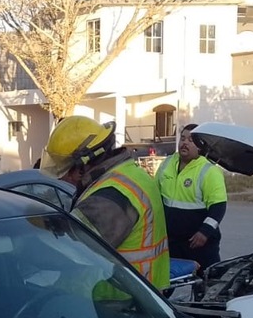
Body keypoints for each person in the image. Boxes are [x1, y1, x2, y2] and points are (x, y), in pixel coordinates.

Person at [40, 115, 169, 288]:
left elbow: (70, 253)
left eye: (62, 171)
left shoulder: (109, 197)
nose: (61, 179)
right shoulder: (129, 174)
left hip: (115, 297)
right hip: (141, 292)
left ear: (81, 167)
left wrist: (18, 249)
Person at [155, 123, 228, 268]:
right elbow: (155, 195)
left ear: (201, 146)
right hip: (171, 242)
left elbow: (218, 207)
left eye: (191, 140)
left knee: (208, 279)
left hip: (200, 244)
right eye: (182, 138)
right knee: (169, 279)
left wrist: (205, 232)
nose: (185, 143)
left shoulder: (209, 171)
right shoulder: (167, 164)